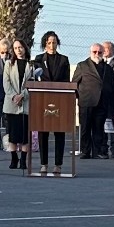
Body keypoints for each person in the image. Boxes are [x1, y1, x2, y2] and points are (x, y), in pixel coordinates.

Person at [32, 31, 70, 173]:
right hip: (43, 99)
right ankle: (44, 163)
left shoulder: (64, 60)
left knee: (59, 132)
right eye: (49, 42)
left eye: (54, 42)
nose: (52, 45)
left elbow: (67, 81)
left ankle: (58, 164)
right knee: (43, 132)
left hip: (60, 99)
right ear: (45, 43)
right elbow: (36, 78)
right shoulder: (39, 59)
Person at [74, 44, 114, 159]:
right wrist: (80, 97)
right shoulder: (82, 65)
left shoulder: (108, 68)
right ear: (90, 52)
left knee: (99, 128)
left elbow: (112, 85)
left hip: (102, 102)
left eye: (100, 52)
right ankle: (85, 151)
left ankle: (97, 151)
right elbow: (74, 84)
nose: (97, 54)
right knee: (85, 128)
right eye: (94, 52)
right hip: (86, 101)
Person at [2, 39, 31, 169]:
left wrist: (22, 95)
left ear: (25, 48)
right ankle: (14, 158)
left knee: (25, 135)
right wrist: (14, 96)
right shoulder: (9, 64)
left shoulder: (31, 65)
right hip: (12, 104)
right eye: (15, 48)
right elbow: (6, 82)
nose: (18, 50)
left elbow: (32, 83)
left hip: (25, 104)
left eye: (20, 47)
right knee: (13, 135)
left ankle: (24, 160)